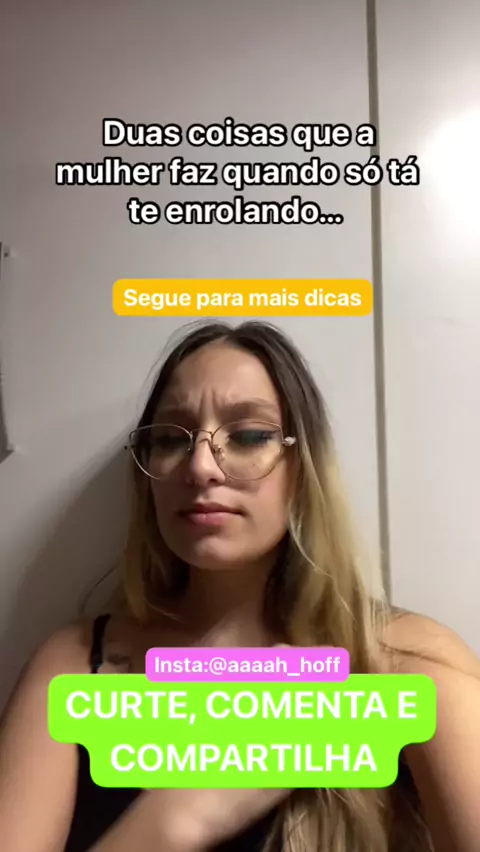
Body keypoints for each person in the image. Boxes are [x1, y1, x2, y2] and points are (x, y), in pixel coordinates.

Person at [0, 320, 479, 852]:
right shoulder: (72, 664)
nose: (200, 467)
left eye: (249, 436)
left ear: (303, 469)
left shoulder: (407, 662)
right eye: (170, 439)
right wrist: (179, 819)